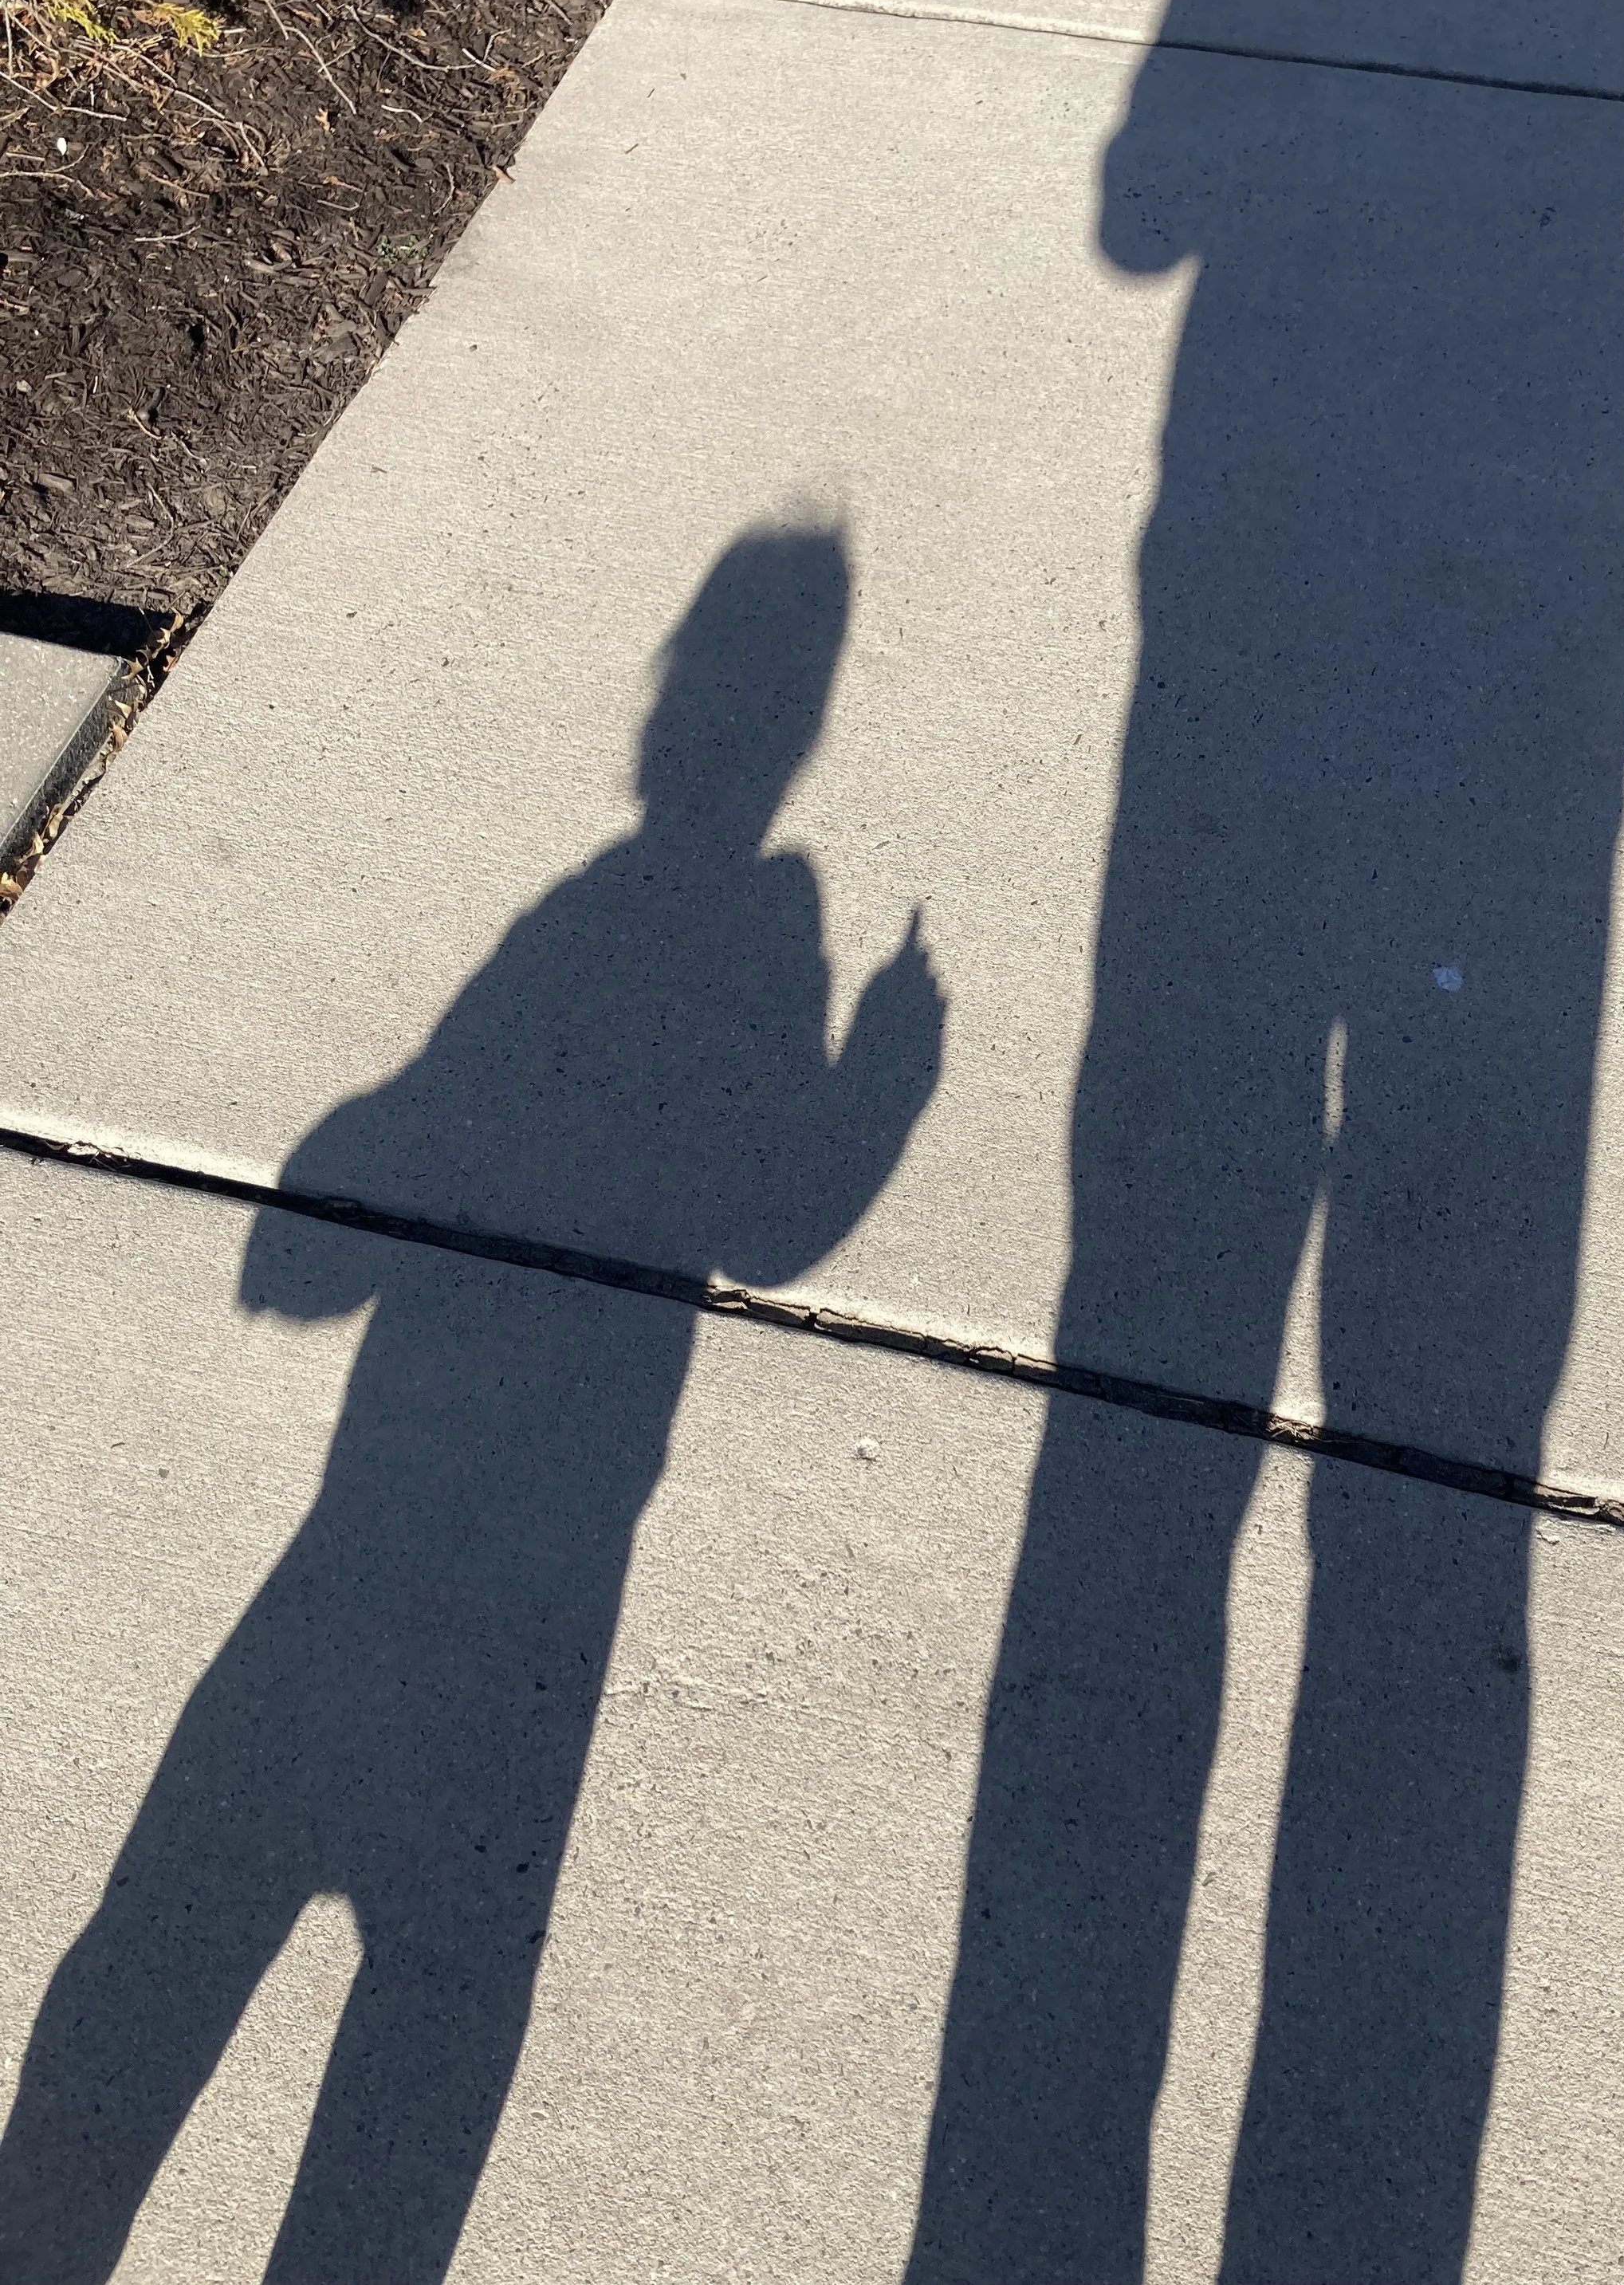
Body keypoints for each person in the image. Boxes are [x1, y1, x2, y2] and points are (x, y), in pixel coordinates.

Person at [902, 0, 1624, 2275]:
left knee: (1167, 1271)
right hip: (1540, 593)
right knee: (1436, 1440)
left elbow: (1140, 210)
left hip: (1239, 557)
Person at [0, 523, 945, 2283]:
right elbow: (773, 1224)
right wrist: (889, 1073)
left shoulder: (598, 917)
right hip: (545, 1565)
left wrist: (389, 1152)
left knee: (161, 1951)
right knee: (429, 2001)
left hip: (369, 1541)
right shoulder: (757, 929)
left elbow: (298, 1257)